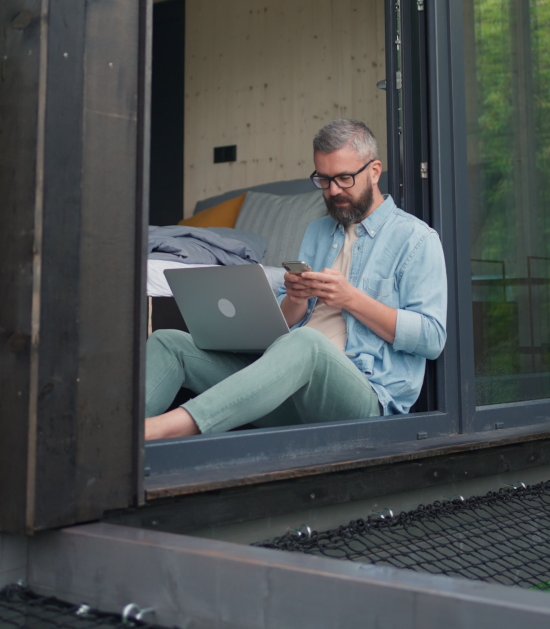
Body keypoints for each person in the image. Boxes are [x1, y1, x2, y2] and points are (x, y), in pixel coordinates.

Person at [145, 118, 447, 440]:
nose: (333, 191)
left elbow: (432, 338)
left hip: (363, 400)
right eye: (323, 179)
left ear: (374, 172)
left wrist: (351, 299)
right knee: (169, 342)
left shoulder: (415, 239)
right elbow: (287, 324)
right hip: (285, 386)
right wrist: (295, 299)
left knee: (307, 344)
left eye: (344, 178)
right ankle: (112, 438)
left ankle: (166, 429)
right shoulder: (318, 231)